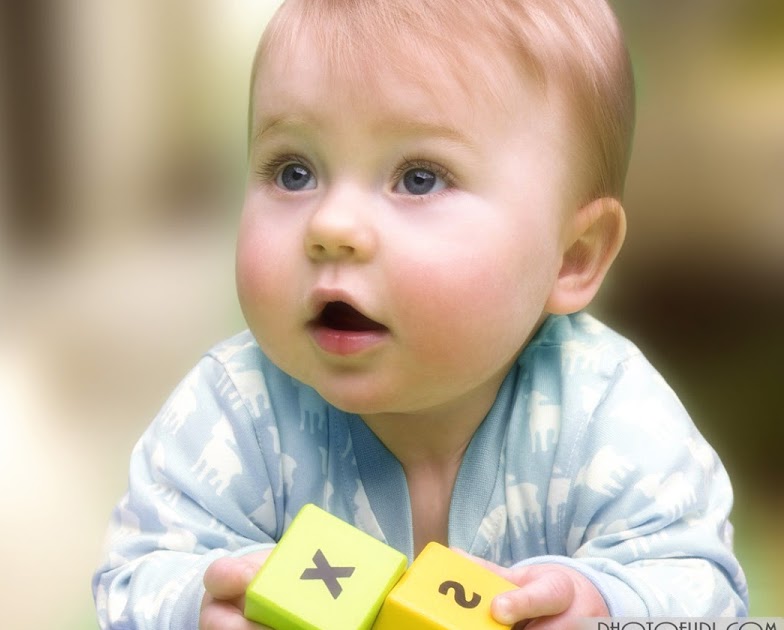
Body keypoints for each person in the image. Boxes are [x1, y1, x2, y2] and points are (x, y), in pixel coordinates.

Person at [92, 0, 750, 627]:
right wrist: (193, 608)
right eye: (294, 171)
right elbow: (133, 575)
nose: (332, 225)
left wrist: (607, 605)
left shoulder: (605, 412)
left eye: (419, 177)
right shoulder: (237, 410)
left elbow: (709, 591)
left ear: (571, 256)